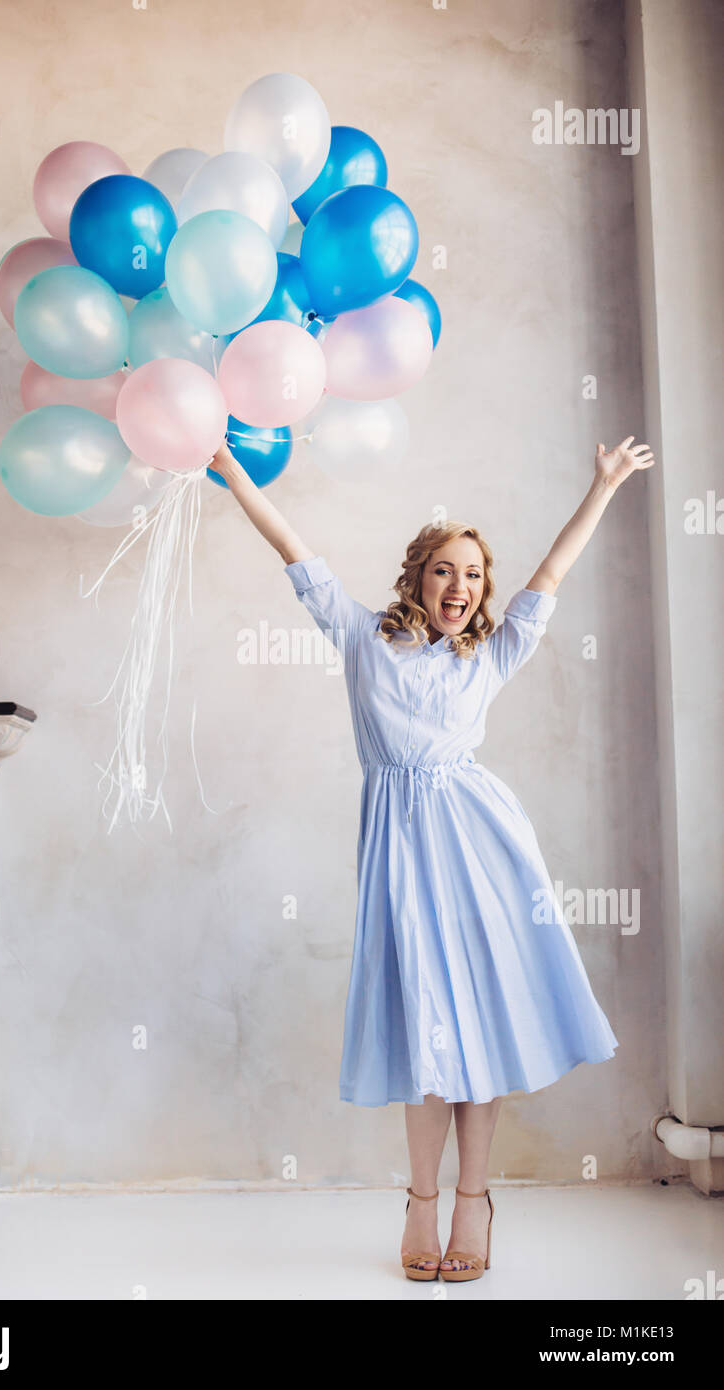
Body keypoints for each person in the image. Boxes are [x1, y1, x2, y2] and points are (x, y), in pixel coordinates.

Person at [209, 434, 655, 1282]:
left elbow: (552, 576)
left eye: (475, 576)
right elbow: (295, 550)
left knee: (477, 1027)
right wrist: (232, 473)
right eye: (446, 570)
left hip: (480, 850)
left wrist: (601, 486)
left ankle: (474, 1201)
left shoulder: (489, 655)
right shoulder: (359, 637)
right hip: (399, 857)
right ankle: (420, 1201)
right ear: (417, 576)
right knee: (424, 1029)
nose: (461, 587)